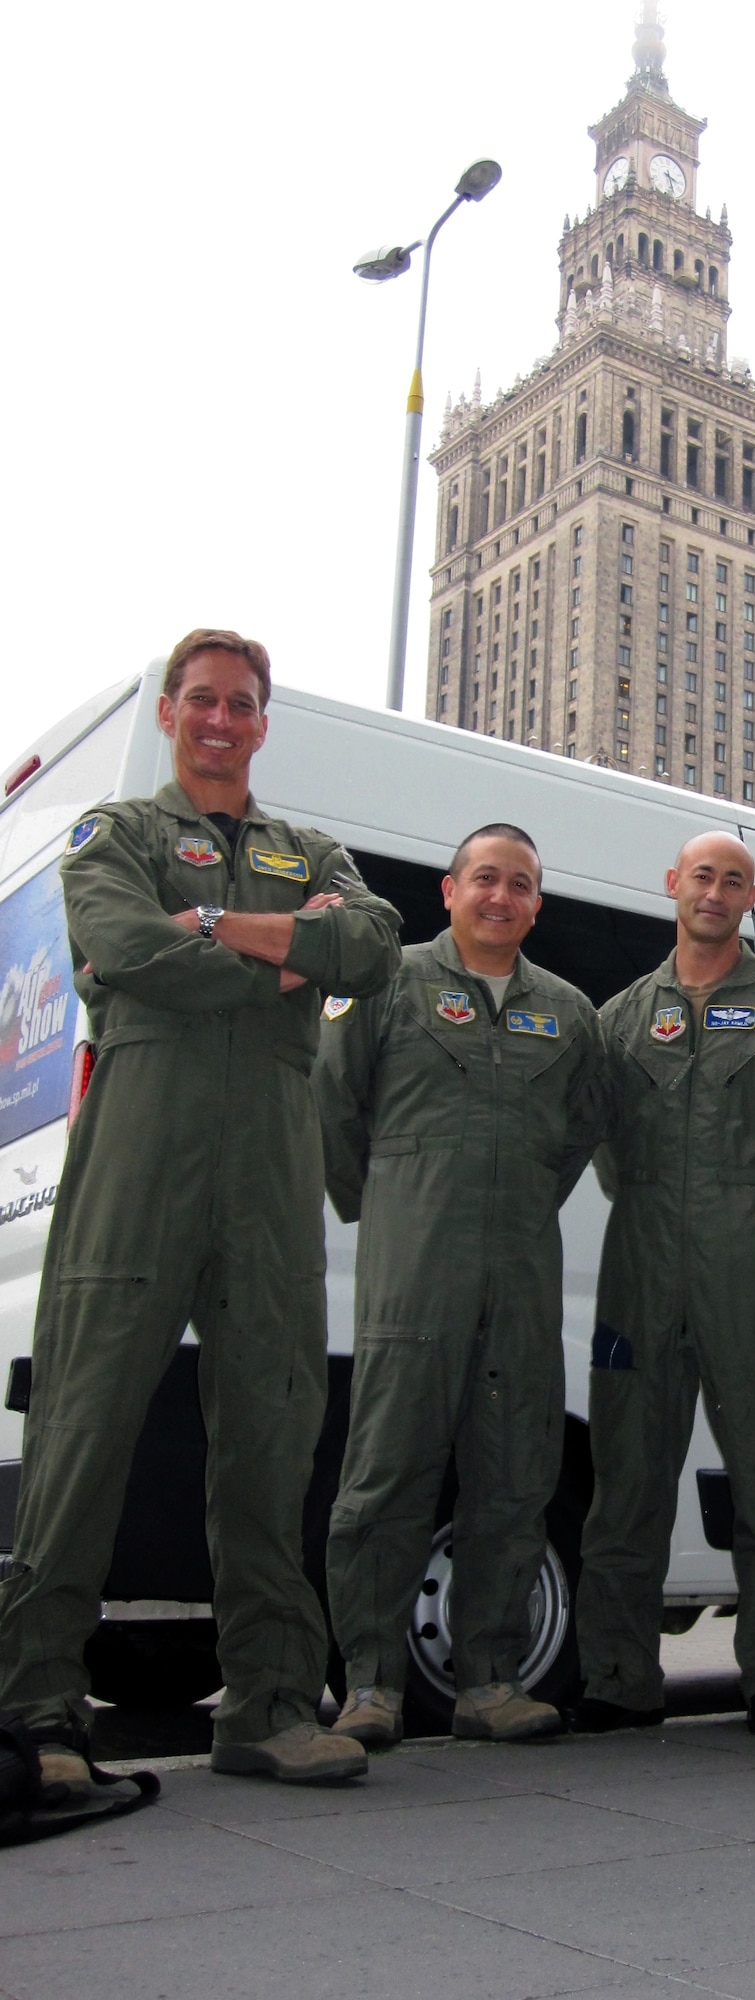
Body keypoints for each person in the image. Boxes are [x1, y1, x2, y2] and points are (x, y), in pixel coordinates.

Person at [0, 629, 401, 1793]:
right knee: (83, 1423)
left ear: (263, 721)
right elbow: (121, 945)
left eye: (243, 703)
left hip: (273, 1154)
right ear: (173, 712)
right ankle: (37, 1710)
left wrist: (213, 927)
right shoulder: (116, 833)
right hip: (140, 1141)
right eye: (203, 700)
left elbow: (368, 944)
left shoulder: (307, 844)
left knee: (273, 1429)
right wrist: (285, 956)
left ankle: (270, 1707)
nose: (222, 718)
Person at [315, 823, 605, 1750]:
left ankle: (488, 1677)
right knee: (386, 1476)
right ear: (450, 891)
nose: (500, 898)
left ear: (536, 905)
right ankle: (370, 1685)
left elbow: (576, 1138)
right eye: (485, 879)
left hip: (520, 1281)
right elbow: (333, 1105)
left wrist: (510, 1211)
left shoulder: (567, 1013)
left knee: (515, 1480)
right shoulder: (386, 982)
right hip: (413, 1277)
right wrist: (397, 1206)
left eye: (520, 884)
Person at [574, 832, 755, 1736]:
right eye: (701, 876)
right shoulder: (622, 1018)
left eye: (732, 881)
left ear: (751, 897)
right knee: (628, 1471)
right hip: (642, 1262)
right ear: (673, 883)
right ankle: (617, 1676)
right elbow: (601, 1141)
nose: (714, 892)